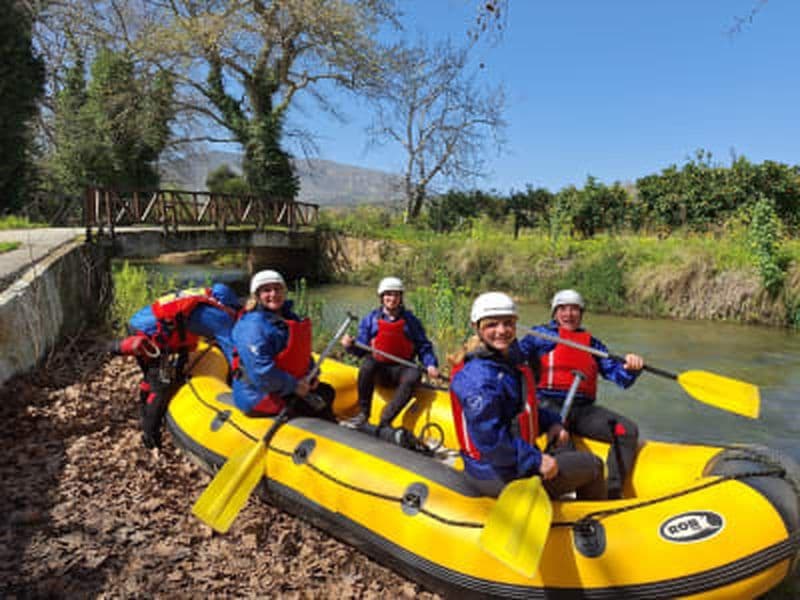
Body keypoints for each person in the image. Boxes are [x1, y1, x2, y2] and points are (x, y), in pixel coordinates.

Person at [449, 292, 606, 500]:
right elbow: (490, 440)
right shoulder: (478, 378)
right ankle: (590, 524)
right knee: (593, 465)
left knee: (566, 456)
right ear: (476, 327)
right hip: (497, 474)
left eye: (508, 323)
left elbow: (519, 409)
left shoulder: (504, 362)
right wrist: (536, 460)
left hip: (506, 465)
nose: (502, 331)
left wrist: (552, 422)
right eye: (492, 325)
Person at [518, 289, 644, 499]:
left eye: (574, 309)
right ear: (555, 313)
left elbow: (619, 377)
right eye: (563, 309)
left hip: (583, 409)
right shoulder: (540, 336)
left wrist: (632, 368)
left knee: (627, 430)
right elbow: (514, 356)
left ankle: (612, 491)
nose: (569, 314)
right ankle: (561, 492)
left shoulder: (593, 345)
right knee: (563, 442)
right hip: (547, 405)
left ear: (581, 313)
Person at [110, 282, 242, 449]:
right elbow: (234, 354)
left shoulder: (202, 297)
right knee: (160, 386)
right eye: (235, 310)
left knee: (152, 377)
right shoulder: (218, 316)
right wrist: (243, 385)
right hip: (148, 336)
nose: (234, 315)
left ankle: (144, 412)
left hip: (138, 324)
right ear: (228, 306)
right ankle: (150, 438)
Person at [231, 269, 335, 421]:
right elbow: (261, 373)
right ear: (257, 295)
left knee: (326, 392)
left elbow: (300, 351)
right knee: (315, 406)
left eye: (277, 289)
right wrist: (294, 386)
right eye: (267, 290)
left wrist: (311, 373)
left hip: (284, 386)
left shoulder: (288, 317)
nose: (273, 294)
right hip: (259, 394)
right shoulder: (252, 326)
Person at [340, 276, 440, 428]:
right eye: (388, 294)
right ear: (381, 297)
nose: (392, 298)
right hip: (380, 370)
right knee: (367, 365)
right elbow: (361, 349)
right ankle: (363, 414)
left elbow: (423, 346)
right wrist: (350, 346)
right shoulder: (370, 319)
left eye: (396, 294)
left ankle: (386, 420)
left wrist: (431, 364)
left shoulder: (411, 321)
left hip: (402, 369)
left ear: (401, 298)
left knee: (414, 374)